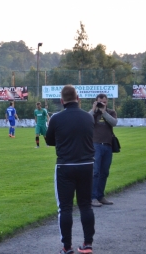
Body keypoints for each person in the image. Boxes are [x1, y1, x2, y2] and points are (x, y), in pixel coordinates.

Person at [46, 85, 95, 254]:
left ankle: (67, 247)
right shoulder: (88, 117)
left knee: (65, 208)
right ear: (78, 98)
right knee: (86, 205)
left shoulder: (56, 118)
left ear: (62, 101)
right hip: (86, 165)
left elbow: (50, 141)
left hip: (65, 166)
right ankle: (87, 244)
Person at [89, 93, 117, 207]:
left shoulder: (111, 112)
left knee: (104, 172)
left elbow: (114, 123)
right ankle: (93, 197)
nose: (103, 104)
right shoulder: (93, 113)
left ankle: (100, 196)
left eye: (104, 102)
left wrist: (104, 112)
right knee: (95, 172)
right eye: (100, 102)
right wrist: (94, 109)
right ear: (96, 101)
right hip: (95, 145)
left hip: (108, 145)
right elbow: (86, 120)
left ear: (107, 102)